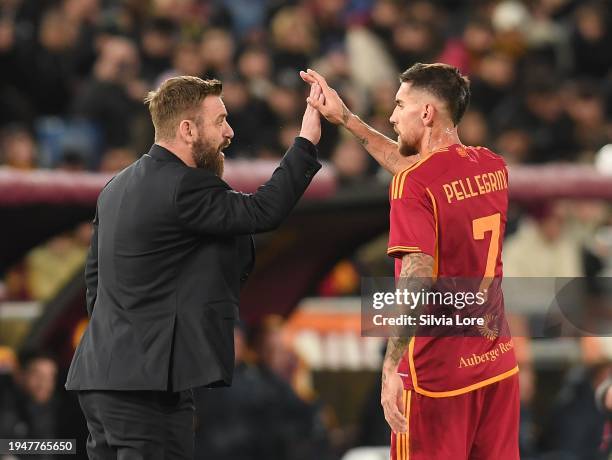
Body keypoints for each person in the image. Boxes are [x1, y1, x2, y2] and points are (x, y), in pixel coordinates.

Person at [65, 75, 325, 459]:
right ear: (187, 129)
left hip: (102, 376)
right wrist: (305, 142)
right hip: (148, 387)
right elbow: (262, 210)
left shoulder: (115, 187)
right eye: (220, 120)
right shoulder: (184, 186)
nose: (230, 132)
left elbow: (94, 284)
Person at [302, 63, 519, 459]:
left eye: (400, 105)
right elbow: (422, 174)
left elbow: (418, 275)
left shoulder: (414, 184)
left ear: (426, 113)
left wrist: (391, 367)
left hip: (437, 376)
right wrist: (347, 119)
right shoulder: (493, 166)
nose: (391, 116)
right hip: (496, 363)